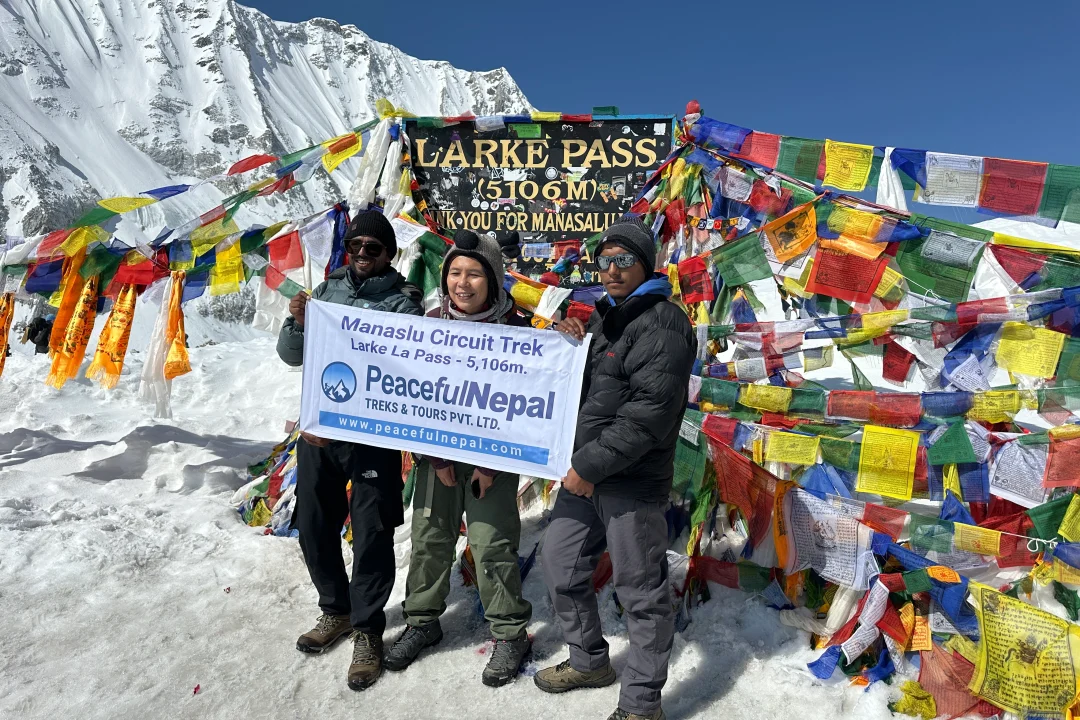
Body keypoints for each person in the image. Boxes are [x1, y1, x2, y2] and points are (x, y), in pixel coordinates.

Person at [534, 217, 695, 720]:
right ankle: (589, 661)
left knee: (641, 593)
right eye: (604, 261)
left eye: (624, 260)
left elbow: (648, 414)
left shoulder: (664, 321)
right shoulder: (611, 319)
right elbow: (595, 394)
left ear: (646, 264)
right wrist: (571, 344)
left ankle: (642, 704)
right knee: (559, 563)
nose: (611, 270)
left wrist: (588, 465)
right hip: (587, 474)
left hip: (629, 480)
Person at [276, 210, 423, 692]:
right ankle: (333, 610)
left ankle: (367, 631)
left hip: (373, 438)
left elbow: (412, 367)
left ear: (389, 254)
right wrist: (298, 323)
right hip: (320, 432)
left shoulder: (404, 304)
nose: (362, 255)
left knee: (372, 532)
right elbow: (292, 355)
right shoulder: (323, 293)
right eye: (355, 246)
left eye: (373, 248)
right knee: (315, 525)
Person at [385, 229, 533, 687]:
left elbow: (529, 405)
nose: (462, 283)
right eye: (454, 272)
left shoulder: (517, 331)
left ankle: (510, 633)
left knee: (491, 542)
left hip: (494, 461)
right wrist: (437, 457)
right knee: (430, 539)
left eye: (473, 274)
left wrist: (490, 466)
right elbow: (417, 398)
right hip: (438, 461)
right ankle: (422, 621)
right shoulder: (429, 325)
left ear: (492, 279)